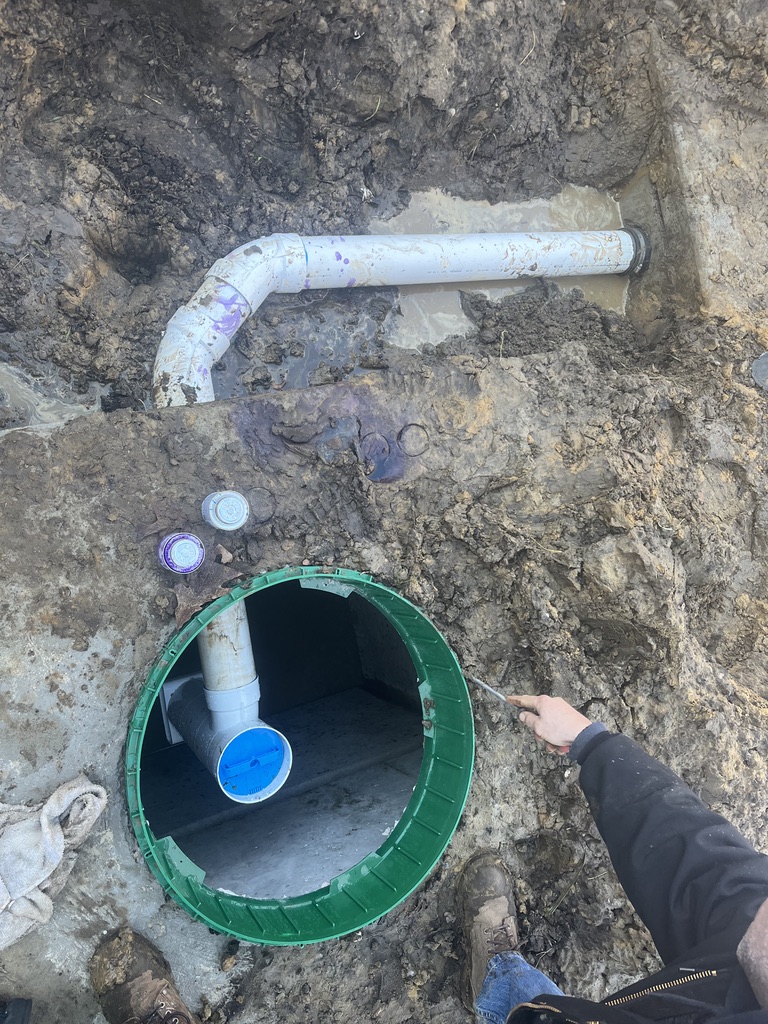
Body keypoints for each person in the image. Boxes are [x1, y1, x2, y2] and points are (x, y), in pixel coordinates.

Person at [458, 694, 768, 1024]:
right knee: (527, 997)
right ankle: (500, 973)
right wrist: (593, 743)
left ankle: (498, 989)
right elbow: (702, 872)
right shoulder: (755, 941)